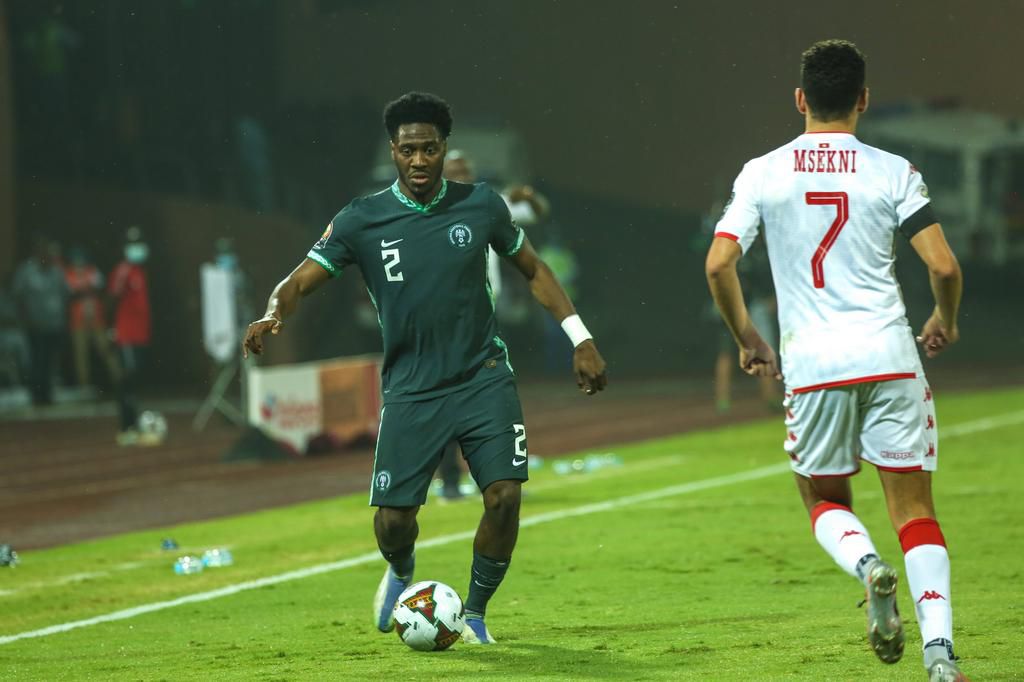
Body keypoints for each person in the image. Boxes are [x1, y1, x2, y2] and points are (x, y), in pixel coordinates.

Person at [243, 92, 607, 645]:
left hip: (483, 376)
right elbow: (298, 281)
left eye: (429, 149)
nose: (418, 160)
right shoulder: (361, 219)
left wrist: (580, 337)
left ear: (444, 149)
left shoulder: (480, 205)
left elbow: (533, 269)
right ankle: (401, 568)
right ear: (394, 151)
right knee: (393, 521)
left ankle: (474, 614)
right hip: (412, 389)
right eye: (408, 150)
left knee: (505, 496)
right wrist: (274, 312)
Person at [705, 40, 965, 682]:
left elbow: (718, 263)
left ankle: (867, 567)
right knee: (916, 512)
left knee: (822, 497)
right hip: (890, 356)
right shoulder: (894, 171)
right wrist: (945, 319)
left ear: (800, 99)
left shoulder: (763, 172)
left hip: (815, 365)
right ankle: (939, 656)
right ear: (863, 100)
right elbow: (943, 266)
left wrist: (748, 336)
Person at [109, 227, 154, 445]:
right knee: (127, 378)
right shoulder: (124, 271)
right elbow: (112, 297)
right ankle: (126, 426)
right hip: (126, 335)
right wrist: (112, 327)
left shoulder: (139, 271)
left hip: (139, 335)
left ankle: (133, 424)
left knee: (135, 380)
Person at [12, 237, 67, 406]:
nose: (47, 255)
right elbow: (18, 297)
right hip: (35, 325)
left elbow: (64, 295)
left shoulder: (57, 272)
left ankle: (48, 394)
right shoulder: (26, 271)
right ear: (37, 253)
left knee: (50, 362)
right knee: (37, 361)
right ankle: (36, 395)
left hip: (54, 325)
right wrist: (25, 320)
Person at [65, 246, 119, 389]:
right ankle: (84, 384)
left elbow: (100, 286)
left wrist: (84, 290)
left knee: (106, 350)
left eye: (81, 260)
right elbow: (69, 291)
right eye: (76, 261)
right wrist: (85, 290)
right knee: (81, 354)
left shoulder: (92, 271)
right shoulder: (68, 274)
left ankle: (119, 380)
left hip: (97, 319)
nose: (79, 263)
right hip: (78, 321)